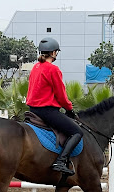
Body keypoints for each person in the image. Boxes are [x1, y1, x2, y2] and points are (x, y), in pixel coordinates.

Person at [26, 37, 83, 176]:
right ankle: (60, 161)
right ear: (53, 52)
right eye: (56, 52)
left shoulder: (35, 67)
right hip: (47, 111)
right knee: (77, 132)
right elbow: (61, 95)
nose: (56, 54)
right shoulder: (53, 69)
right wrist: (69, 109)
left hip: (32, 110)